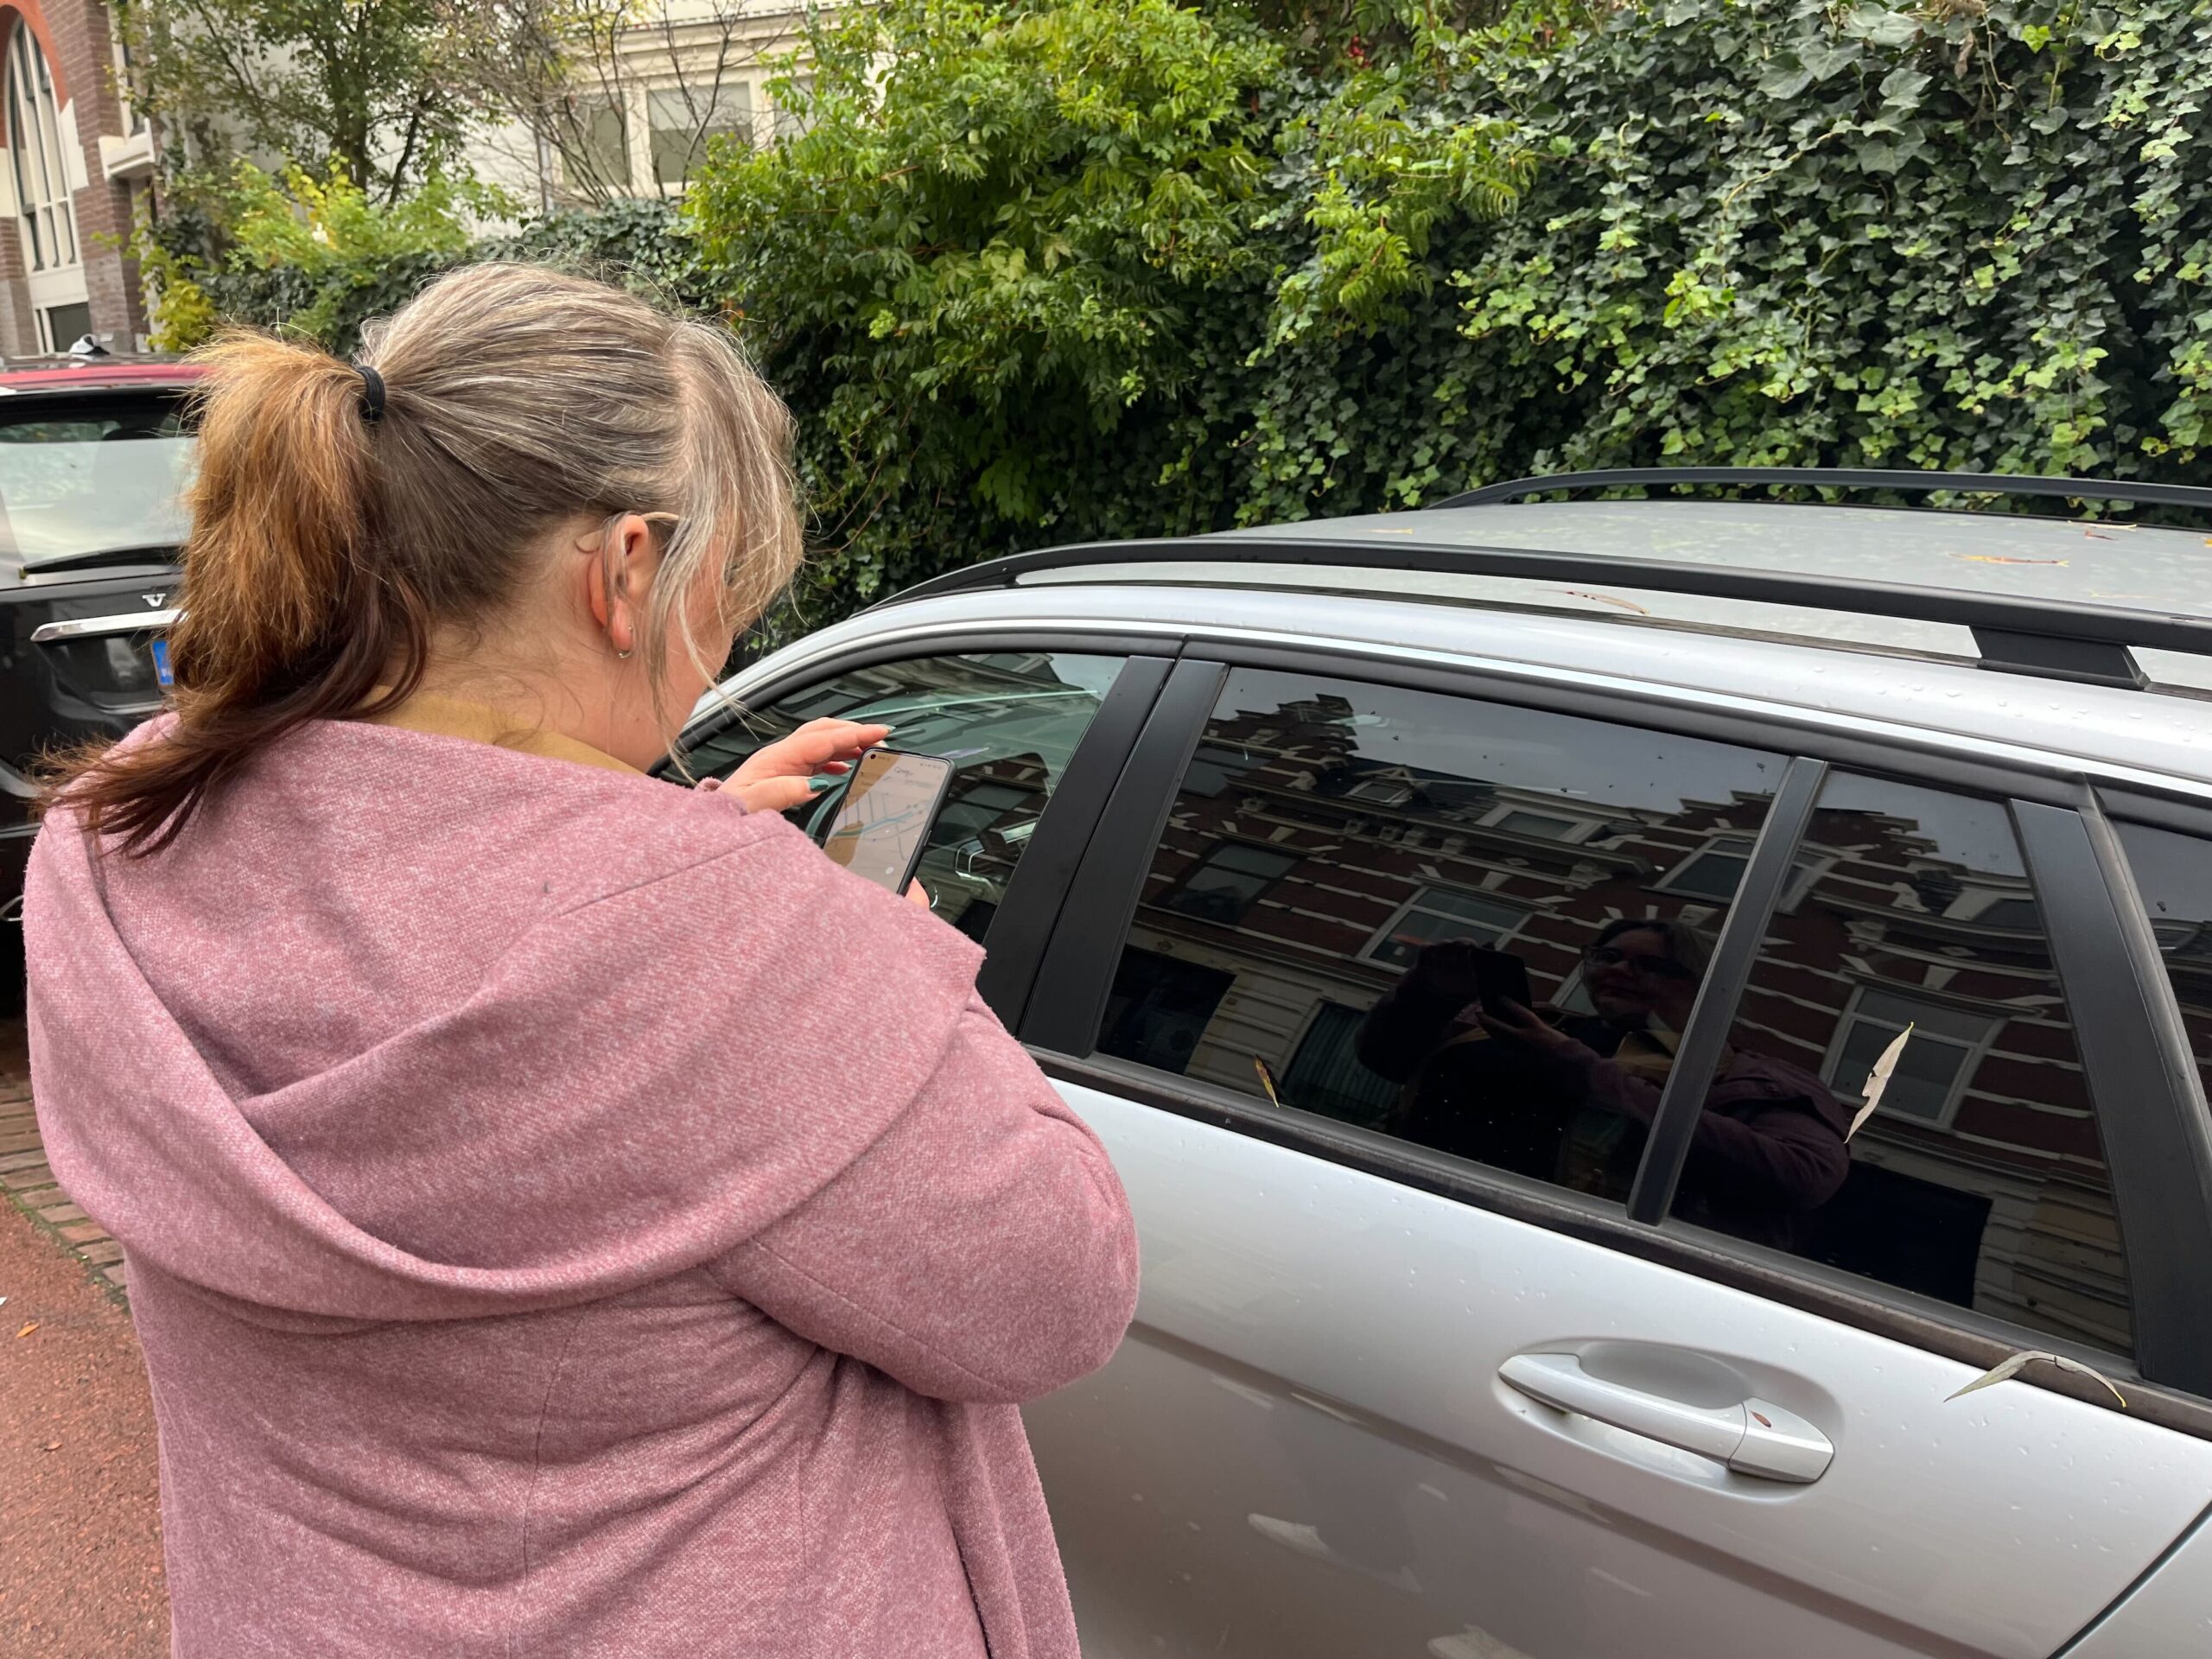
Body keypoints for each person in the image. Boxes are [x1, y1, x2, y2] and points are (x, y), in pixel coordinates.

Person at [23, 265, 1140, 1658]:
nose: (728, 635)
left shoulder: (120, 827)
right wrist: (882, 948)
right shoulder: (752, 954)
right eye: (730, 584)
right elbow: (1054, 1292)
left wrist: (686, 841)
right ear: (623, 572)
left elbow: (447, 934)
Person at [1357, 917, 1849, 1247]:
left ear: (1704, 983)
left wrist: (1580, 1068)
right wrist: (1425, 993)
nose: (1618, 970)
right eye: (1605, 957)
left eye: (1649, 965)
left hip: (1553, 1259)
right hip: (1396, 1220)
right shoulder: (1542, 1024)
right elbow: (1386, 1061)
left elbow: (1803, 1176)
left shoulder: (1750, 1076)